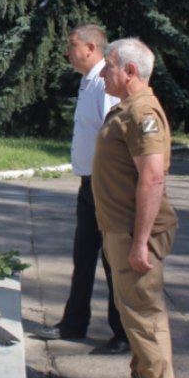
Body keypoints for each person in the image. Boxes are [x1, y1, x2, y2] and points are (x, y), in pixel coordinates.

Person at [92, 38, 179, 378]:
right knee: (130, 314)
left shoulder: (142, 111)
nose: (102, 72)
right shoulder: (125, 108)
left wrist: (141, 242)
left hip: (135, 232)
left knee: (145, 316)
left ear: (129, 72)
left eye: (108, 65)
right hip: (120, 230)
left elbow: (153, 176)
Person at [36, 25, 129, 355]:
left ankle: (123, 335)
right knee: (83, 256)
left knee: (111, 260)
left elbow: (114, 135)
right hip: (89, 184)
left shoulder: (105, 83)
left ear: (90, 48)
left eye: (71, 45)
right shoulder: (88, 81)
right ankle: (74, 323)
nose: (67, 51)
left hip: (105, 186)